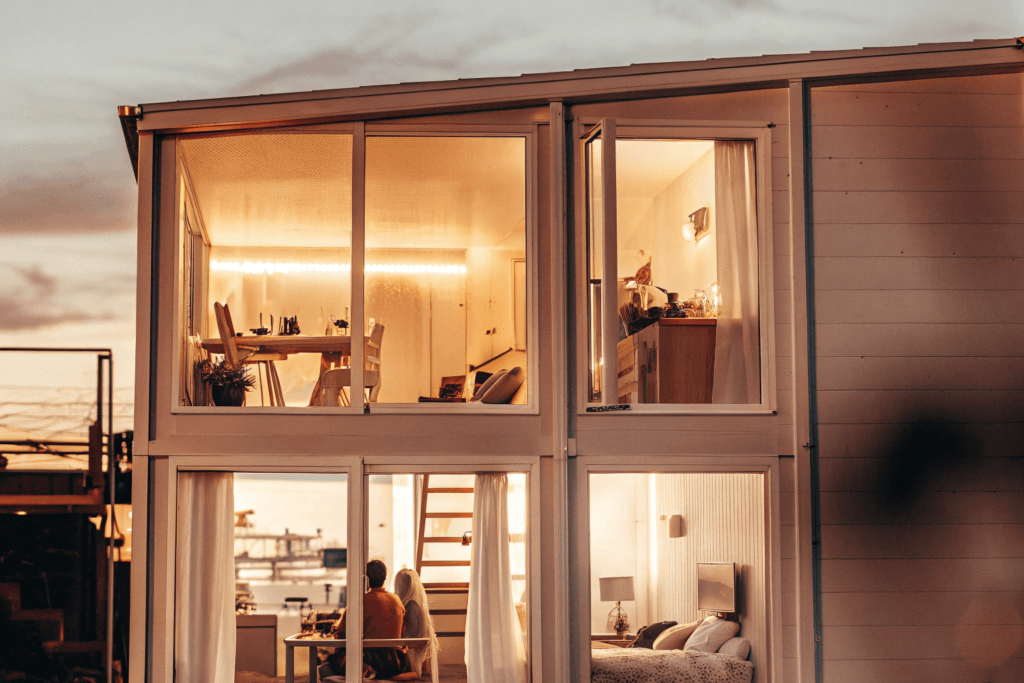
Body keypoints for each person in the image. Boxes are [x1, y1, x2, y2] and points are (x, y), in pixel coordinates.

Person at [327, 560, 410, 680]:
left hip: (370, 662)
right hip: (394, 663)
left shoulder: (359, 601)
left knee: (330, 663)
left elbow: (341, 635)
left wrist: (335, 629)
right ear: (385, 577)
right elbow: (402, 630)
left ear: (366, 579)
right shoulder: (396, 600)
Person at [393, 568, 439, 678]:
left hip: (411, 659)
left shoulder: (410, 607)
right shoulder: (416, 605)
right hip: (415, 658)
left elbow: (410, 636)